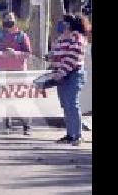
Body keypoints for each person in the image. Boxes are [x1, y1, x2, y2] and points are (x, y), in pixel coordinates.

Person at [47, 14, 89, 146]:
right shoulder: (61, 38)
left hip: (73, 74)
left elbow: (72, 57)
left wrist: (61, 72)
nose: (60, 25)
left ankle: (78, 135)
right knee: (65, 105)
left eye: (63, 22)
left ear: (69, 25)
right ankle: (70, 135)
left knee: (72, 104)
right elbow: (58, 54)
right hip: (62, 74)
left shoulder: (76, 37)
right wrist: (50, 57)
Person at [0, 13, 32, 134]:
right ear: (2, 21)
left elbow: (28, 53)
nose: (8, 22)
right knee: (5, 98)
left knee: (21, 98)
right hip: (1, 72)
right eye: (6, 19)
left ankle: (26, 126)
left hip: (18, 73)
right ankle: (7, 125)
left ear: (15, 21)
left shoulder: (22, 36)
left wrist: (16, 53)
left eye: (11, 20)